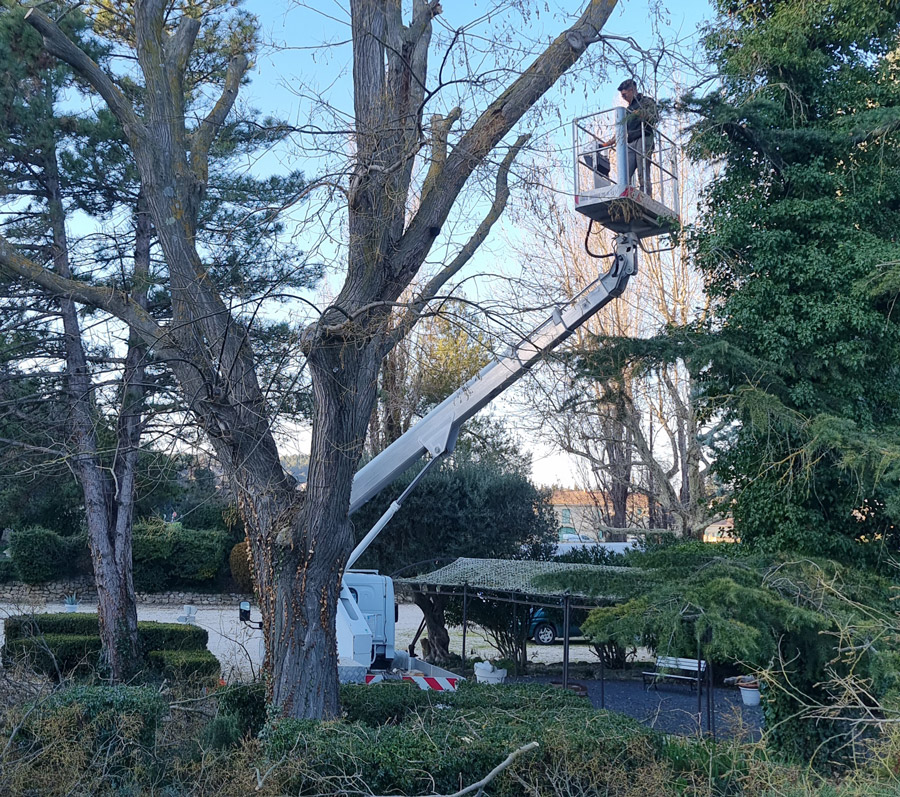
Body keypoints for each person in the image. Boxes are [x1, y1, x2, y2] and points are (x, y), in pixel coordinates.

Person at [604, 78, 659, 193]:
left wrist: (640, 114)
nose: (623, 98)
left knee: (642, 171)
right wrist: (607, 143)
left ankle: (646, 195)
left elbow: (654, 117)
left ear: (632, 90)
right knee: (625, 171)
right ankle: (624, 193)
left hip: (644, 137)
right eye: (622, 95)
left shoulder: (646, 102)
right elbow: (621, 130)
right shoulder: (627, 110)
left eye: (624, 94)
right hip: (631, 142)